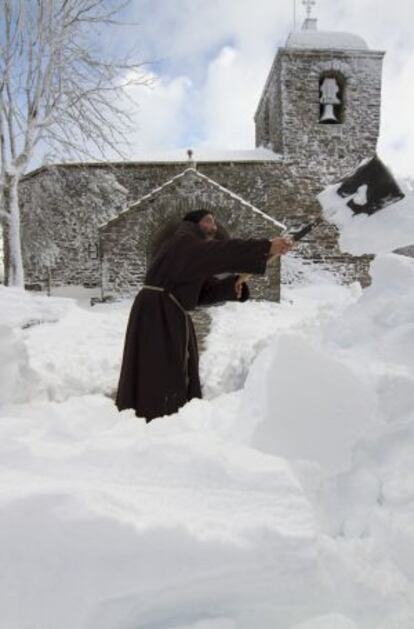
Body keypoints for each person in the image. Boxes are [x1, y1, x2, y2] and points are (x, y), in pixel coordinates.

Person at [115, 209, 293, 422]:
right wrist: (265, 247)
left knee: (168, 363)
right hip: (157, 314)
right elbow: (221, 252)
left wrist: (232, 285)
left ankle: (167, 409)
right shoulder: (183, 242)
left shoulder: (190, 252)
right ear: (193, 223)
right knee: (159, 365)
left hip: (168, 310)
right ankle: (157, 413)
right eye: (208, 221)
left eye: (214, 222)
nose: (214, 226)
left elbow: (201, 293)